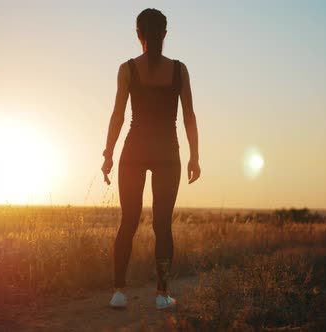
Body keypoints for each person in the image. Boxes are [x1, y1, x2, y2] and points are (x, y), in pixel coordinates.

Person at [101, 8, 201, 310]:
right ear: (165, 35)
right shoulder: (179, 70)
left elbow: (118, 114)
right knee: (163, 226)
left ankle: (119, 293)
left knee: (128, 223)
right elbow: (189, 117)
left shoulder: (128, 69)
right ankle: (161, 295)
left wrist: (108, 153)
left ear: (138, 34)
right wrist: (195, 156)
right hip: (168, 154)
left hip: (133, 152)